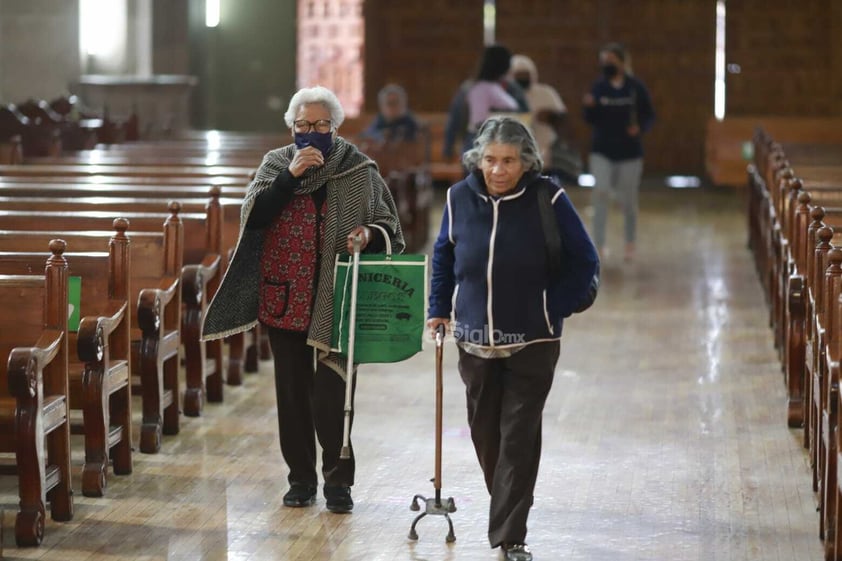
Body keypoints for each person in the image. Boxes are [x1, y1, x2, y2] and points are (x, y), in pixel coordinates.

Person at [201, 85, 405, 514]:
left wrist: (368, 235)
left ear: (335, 126)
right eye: (303, 126)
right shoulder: (275, 164)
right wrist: (289, 177)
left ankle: (338, 483)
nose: (312, 133)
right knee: (292, 396)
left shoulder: (358, 170)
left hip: (338, 298)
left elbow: (388, 224)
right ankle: (300, 479)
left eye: (321, 125)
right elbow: (253, 219)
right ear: (291, 127)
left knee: (332, 398)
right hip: (285, 296)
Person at [427, 116, 599, 561]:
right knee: (487, 434)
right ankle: (510, 502)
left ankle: (510, 536)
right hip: (473, 337)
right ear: (477, 159)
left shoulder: (548, 197)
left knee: (519, 435)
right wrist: (438, 310)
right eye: (490, 160)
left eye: (508, 161)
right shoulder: (458, 197)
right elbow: (444, 256)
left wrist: (552, 308)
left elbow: (585, 261)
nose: (498, 170)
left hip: (533, 341)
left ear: (526, 162)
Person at [582, 42, 655, 262]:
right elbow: (589, 119)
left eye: (612, 61)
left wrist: (640, 128)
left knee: (628, 200)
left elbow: (649, 115)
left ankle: (629, 242)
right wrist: (589, 106)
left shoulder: (635, 88)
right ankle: (599, 244)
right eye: (604, 62)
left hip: (629, 153)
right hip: (602, 150)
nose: (608, 66)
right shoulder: (599, 87)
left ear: (623, 63)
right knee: (601, 193)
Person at [442, 44, 529, 161]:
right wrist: (448, 146)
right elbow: (456, 118)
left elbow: (524, 114)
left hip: (507, 144)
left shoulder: (511, 88)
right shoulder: (470, 88)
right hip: (477, 142)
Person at [509, 54, 575, 177]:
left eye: (525, 75)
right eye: (519, 75)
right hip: (514, 151)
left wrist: (550, 116)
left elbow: (564, 119)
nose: (523, 79)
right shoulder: (505, 96)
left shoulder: (546, 93)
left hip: (544, 150)